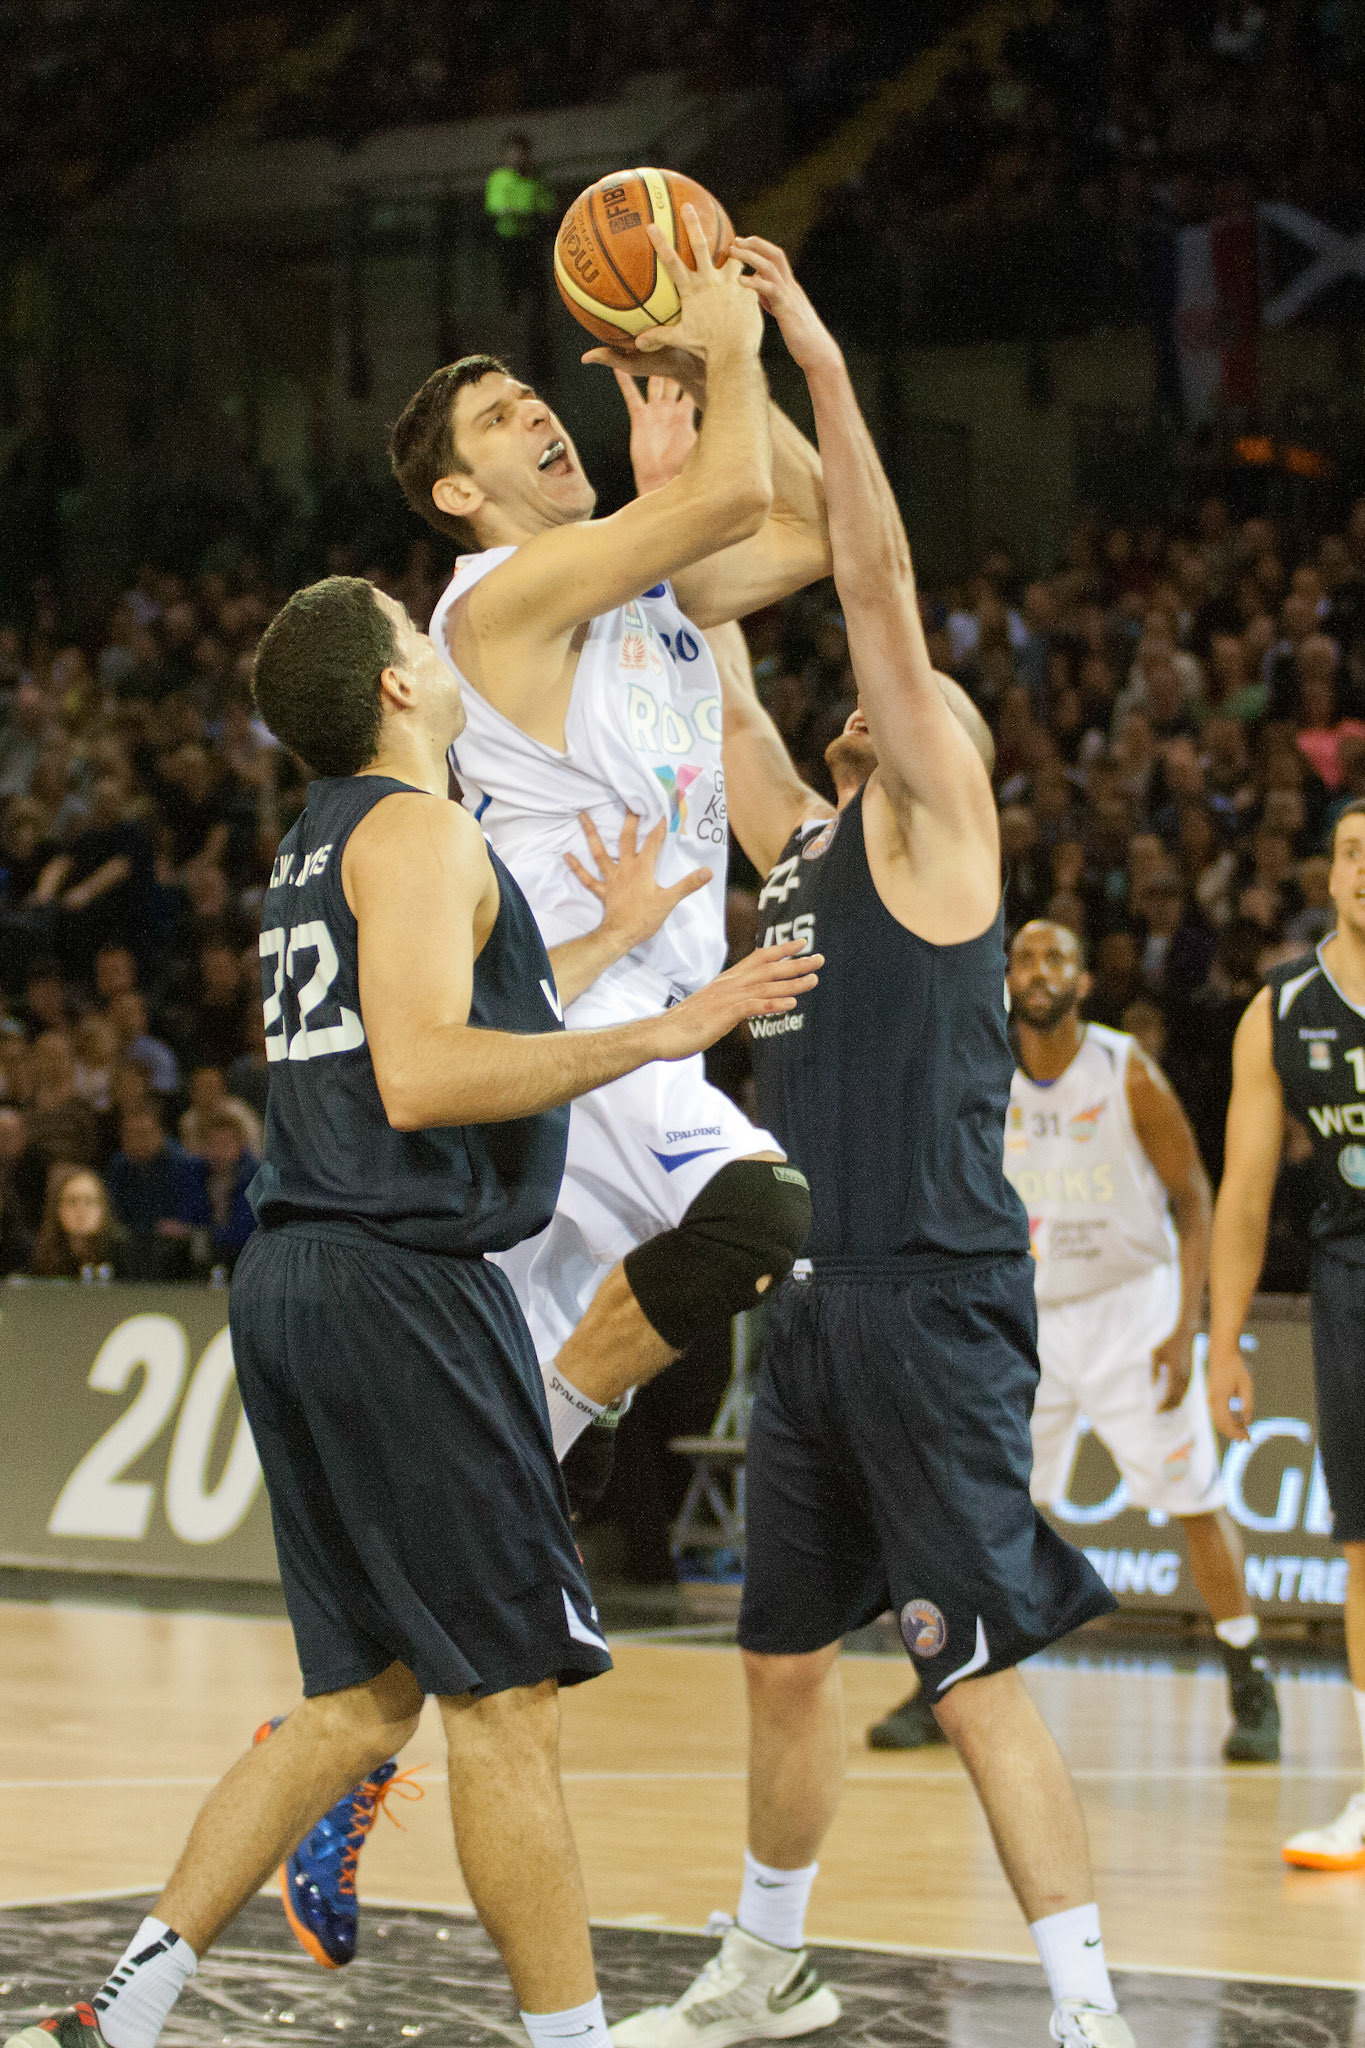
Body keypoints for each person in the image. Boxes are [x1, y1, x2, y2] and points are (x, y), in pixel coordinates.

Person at [4, 573, 818, 2048]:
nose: (432, 636)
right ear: (395, 683)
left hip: (298, 1279)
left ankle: (122, 2009)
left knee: (361, 1703)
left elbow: (435, 1017)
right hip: (402, 1287)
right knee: (507, 1704)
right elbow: (428, 1073)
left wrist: (605, 939)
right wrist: (671, 1025)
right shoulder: (426, 830)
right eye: (405, 623)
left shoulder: (320, 846)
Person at [608, 243, 1131, 2048]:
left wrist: (814, 359)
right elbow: (728, 697)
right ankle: (771, 1961)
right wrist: (671, 486)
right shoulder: (810, 851)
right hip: (818, 1307)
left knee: (967, 1678)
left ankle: (1086, 2008)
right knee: (776, 1664)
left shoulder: (939, 836)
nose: (876, 705)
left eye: (907, 706)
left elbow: (876, 584)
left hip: (931, 1297)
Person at [388, 208, 830, 1506]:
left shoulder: (636, 589)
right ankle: (529, 1452)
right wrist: (725, 346)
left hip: (647, 1021)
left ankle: (492, 1508)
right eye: (499, 417)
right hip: (567, 1016)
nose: (537, 410)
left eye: (533, 395)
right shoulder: (497, 595)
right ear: (460, 494)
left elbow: (809, 529)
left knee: (524, 1435)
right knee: (761, 1211)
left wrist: (724, 384)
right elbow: (734, 495)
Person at [1208, 797, 1365, 1871]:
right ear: (1331, 874)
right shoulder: (1281, 1008)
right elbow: (1245, 1195)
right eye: (1351, 852)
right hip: (1350, 1279)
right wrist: (1225, 1341)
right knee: (1362, 1546)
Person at [28, 1162, 125, 1279]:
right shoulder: (42, 1256)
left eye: (89, 1202)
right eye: (72, 1201)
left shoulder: (123, 1252)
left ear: (103, 1207)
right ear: (57, 1208)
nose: (81, 1210)